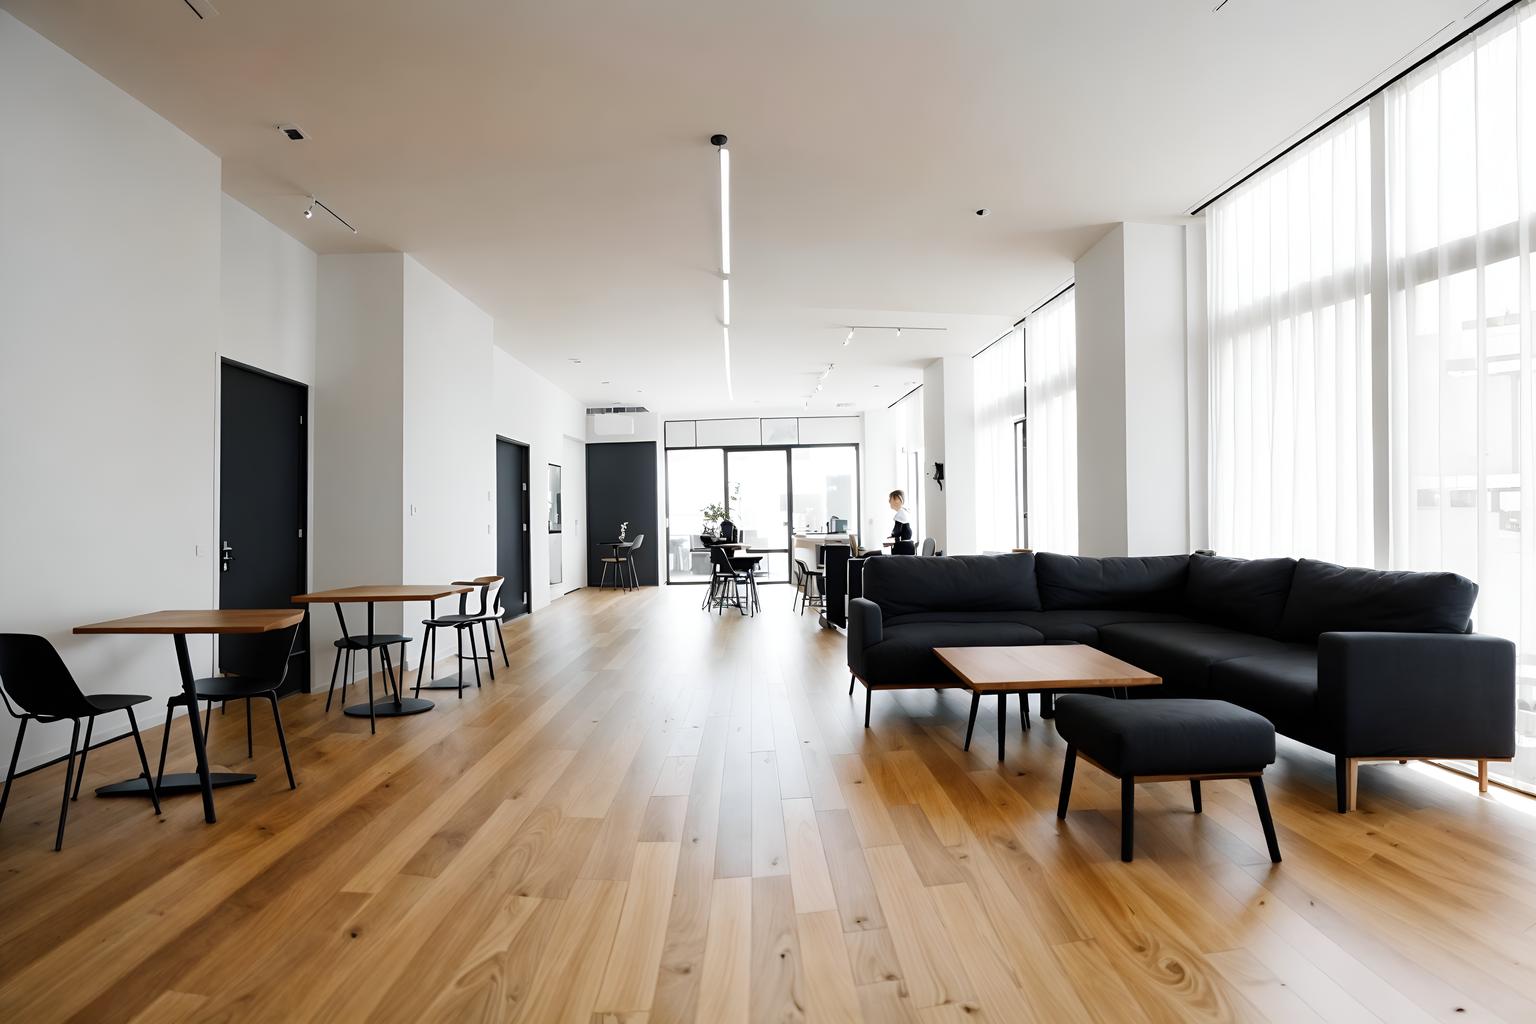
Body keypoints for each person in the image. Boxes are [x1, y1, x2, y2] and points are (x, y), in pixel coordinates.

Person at [883, 489, 916, 555]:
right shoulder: (905, 512)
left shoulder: (900, 514)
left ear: (898, 499)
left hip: (904, 549)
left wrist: (888, 541)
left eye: (890, 499)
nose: (889, 501)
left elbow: (896, 532)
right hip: (908, 547)